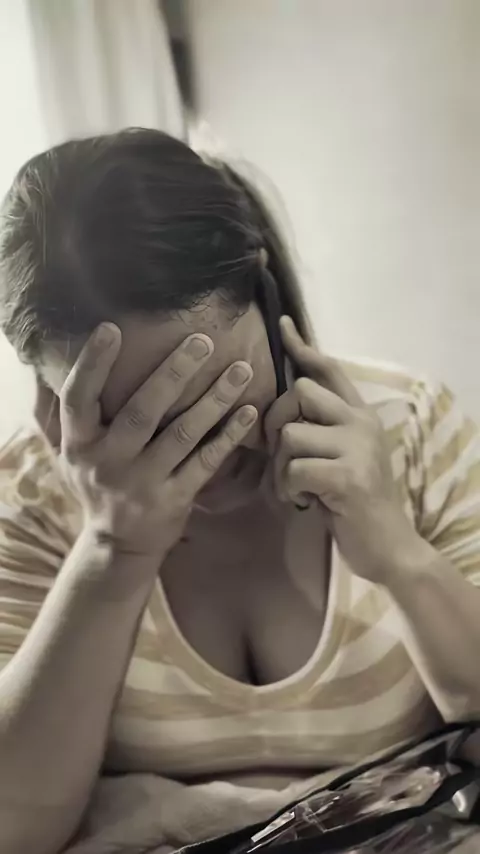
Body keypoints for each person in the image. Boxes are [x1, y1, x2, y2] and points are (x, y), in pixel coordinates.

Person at [0, 128, 479, 854]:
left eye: (219, 393)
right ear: (47, 400)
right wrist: (111, 550)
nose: (202, 451)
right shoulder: (31, 497)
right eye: (138, 420)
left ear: (264, 289)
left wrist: (396, 553)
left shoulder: (410, 429)